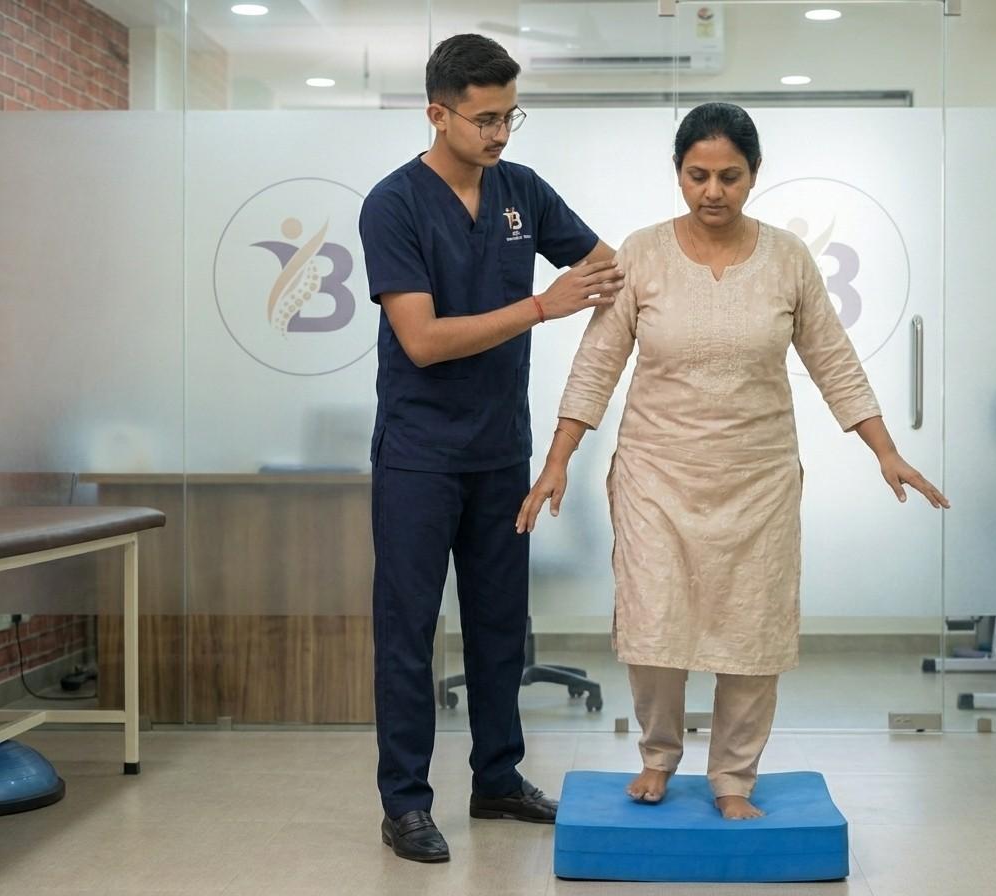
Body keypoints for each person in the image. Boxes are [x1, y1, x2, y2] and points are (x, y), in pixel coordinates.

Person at [516, 102, 949, 821]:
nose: (711, 191)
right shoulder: (642, 254)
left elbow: (834, 360)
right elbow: (597, 365)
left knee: (752, 628)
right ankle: (657, 757)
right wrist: (558, 460)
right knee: (655, 621)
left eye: (729, 176)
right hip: (657, 472)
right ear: (678, 175)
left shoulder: (788, 259)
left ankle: (734, 775)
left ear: (754, 176)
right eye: (697, 176)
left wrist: (886, 451)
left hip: (758, 477)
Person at [358, 33, 623, 863]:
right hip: (418, 453)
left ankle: (498, 779)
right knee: (408, 631)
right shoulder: (393, 204)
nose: (501, 134)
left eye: (511, 115)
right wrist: (543, 307)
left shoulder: (521, 191)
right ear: (436, 113)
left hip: (499, 450)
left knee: (501, 627)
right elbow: (425, 339)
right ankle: (404, 802)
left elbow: (606, 267)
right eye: (484, 119)